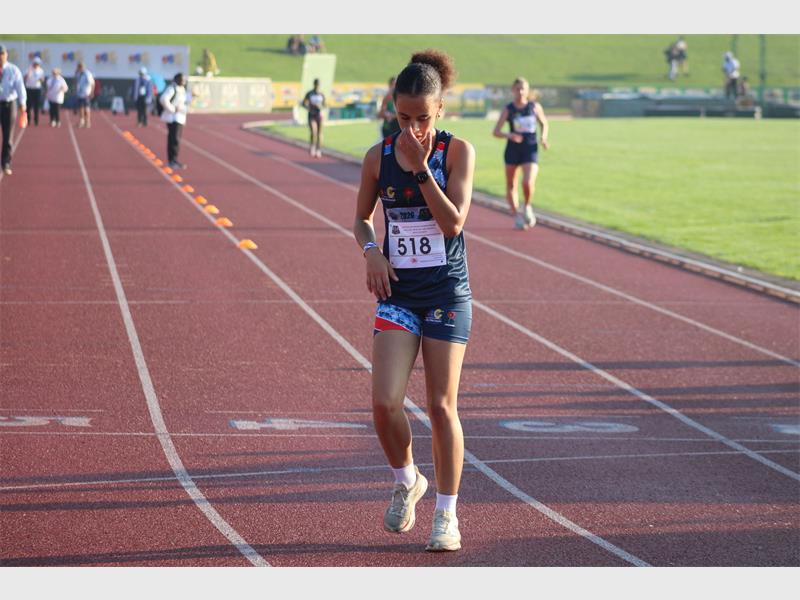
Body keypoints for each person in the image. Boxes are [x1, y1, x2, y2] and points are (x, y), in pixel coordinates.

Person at [352, 49, 476, 553]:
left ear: (440, 109)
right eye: (403, 118)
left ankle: (446, 515)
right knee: (384, 404)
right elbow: (362, 219)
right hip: (399, 293)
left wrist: (423, 169)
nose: (413, 128)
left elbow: (452, 224)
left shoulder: (456, 153)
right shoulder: (377, 158)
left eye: (422, 118)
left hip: (446, 292)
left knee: (441, 406)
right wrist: (371, 252)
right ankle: (408, 480)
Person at [492, 77, 549, 229]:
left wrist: (543, 138)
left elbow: (544, 123)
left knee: (527, 181)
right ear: (513, 90)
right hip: (513, 149)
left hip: (530, 148)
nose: (521, 91)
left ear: (527, 90)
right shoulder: (508, 109)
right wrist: (509, 135)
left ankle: (528, 206)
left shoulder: (534, 107)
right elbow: (496, 131)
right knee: (511, 184)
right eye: (518, 89)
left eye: (523, 88)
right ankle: (516, 215)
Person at [0, 45, 27, 176]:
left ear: (6, 55)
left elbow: (20, 88)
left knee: (7, 136)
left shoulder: (13, 70)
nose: (0, 57)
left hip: (9, 104)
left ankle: (5, 163)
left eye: (2, 54)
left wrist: (22, 104)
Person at [160, 72, 188, 169]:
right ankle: (172, 160)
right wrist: (172, 109)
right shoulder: (172, 88)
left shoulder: (183, 89)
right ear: (176, 79)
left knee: (176, 140)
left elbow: (184, 102)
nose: (184, 81)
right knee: (174, 139)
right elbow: (163, 99)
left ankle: (173, 160)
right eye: (182, 79)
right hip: (173, 118)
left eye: (184, 79)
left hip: (180, 118)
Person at [302, 78, 325, 158]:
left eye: (319, 85)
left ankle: (318, 149)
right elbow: (303, 103)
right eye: (316, 84)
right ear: (314, 84)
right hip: (312, 114)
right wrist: (308, 107)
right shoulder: (310, 93)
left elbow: (324, 105)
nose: (317, 86)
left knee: (320, 133)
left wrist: (320, 106)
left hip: (319, 115)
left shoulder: (321, 94)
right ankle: (313, 146)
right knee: (313, 132)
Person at [24, 56, 45, 127]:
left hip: (37, 89)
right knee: (28, 106)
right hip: (29, 89)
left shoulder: (41, 70)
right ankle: (28, 120)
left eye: (38, 63)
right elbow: (25, 78)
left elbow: (43, 80)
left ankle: (36, 121)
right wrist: (28, 74)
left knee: (36, 106)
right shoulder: (28, 69)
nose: (36, 65)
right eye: (35, 63)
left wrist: (41, 79)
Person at [75, 62, 94, 128]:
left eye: (80, 67)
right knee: (80, 108)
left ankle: (88, 121)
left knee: (86, 108)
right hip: (79, 93)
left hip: (86, 93)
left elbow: (92, 83)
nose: (79, 68)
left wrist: (91, 92)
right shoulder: (78, 74)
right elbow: (76, 82)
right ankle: (82, 121)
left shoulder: (87, 74)